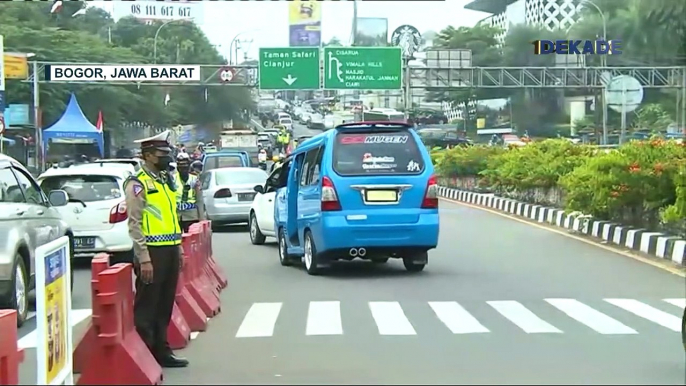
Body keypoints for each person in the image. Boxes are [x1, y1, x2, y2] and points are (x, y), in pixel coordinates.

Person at [123, 130, 189, 368]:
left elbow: (172, 217)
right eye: (162, 153)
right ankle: (145, 355)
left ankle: (162, 351)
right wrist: (144, 258)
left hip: (170, 248)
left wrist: (179, 248)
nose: (167, 157)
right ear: (148, 155)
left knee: (165, 303)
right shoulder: (138, 183)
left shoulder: (164, 180)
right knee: (147, 306)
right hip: (151, 251)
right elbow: (135, 223)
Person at [175, 152, 203, 232]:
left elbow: (199, 200)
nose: (182, 168)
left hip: (191, 216)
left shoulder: (194, 180)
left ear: (188, 165)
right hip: (176, 215)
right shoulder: (172, 179)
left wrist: (201, 219)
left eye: (184, 165)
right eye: (179, 165)